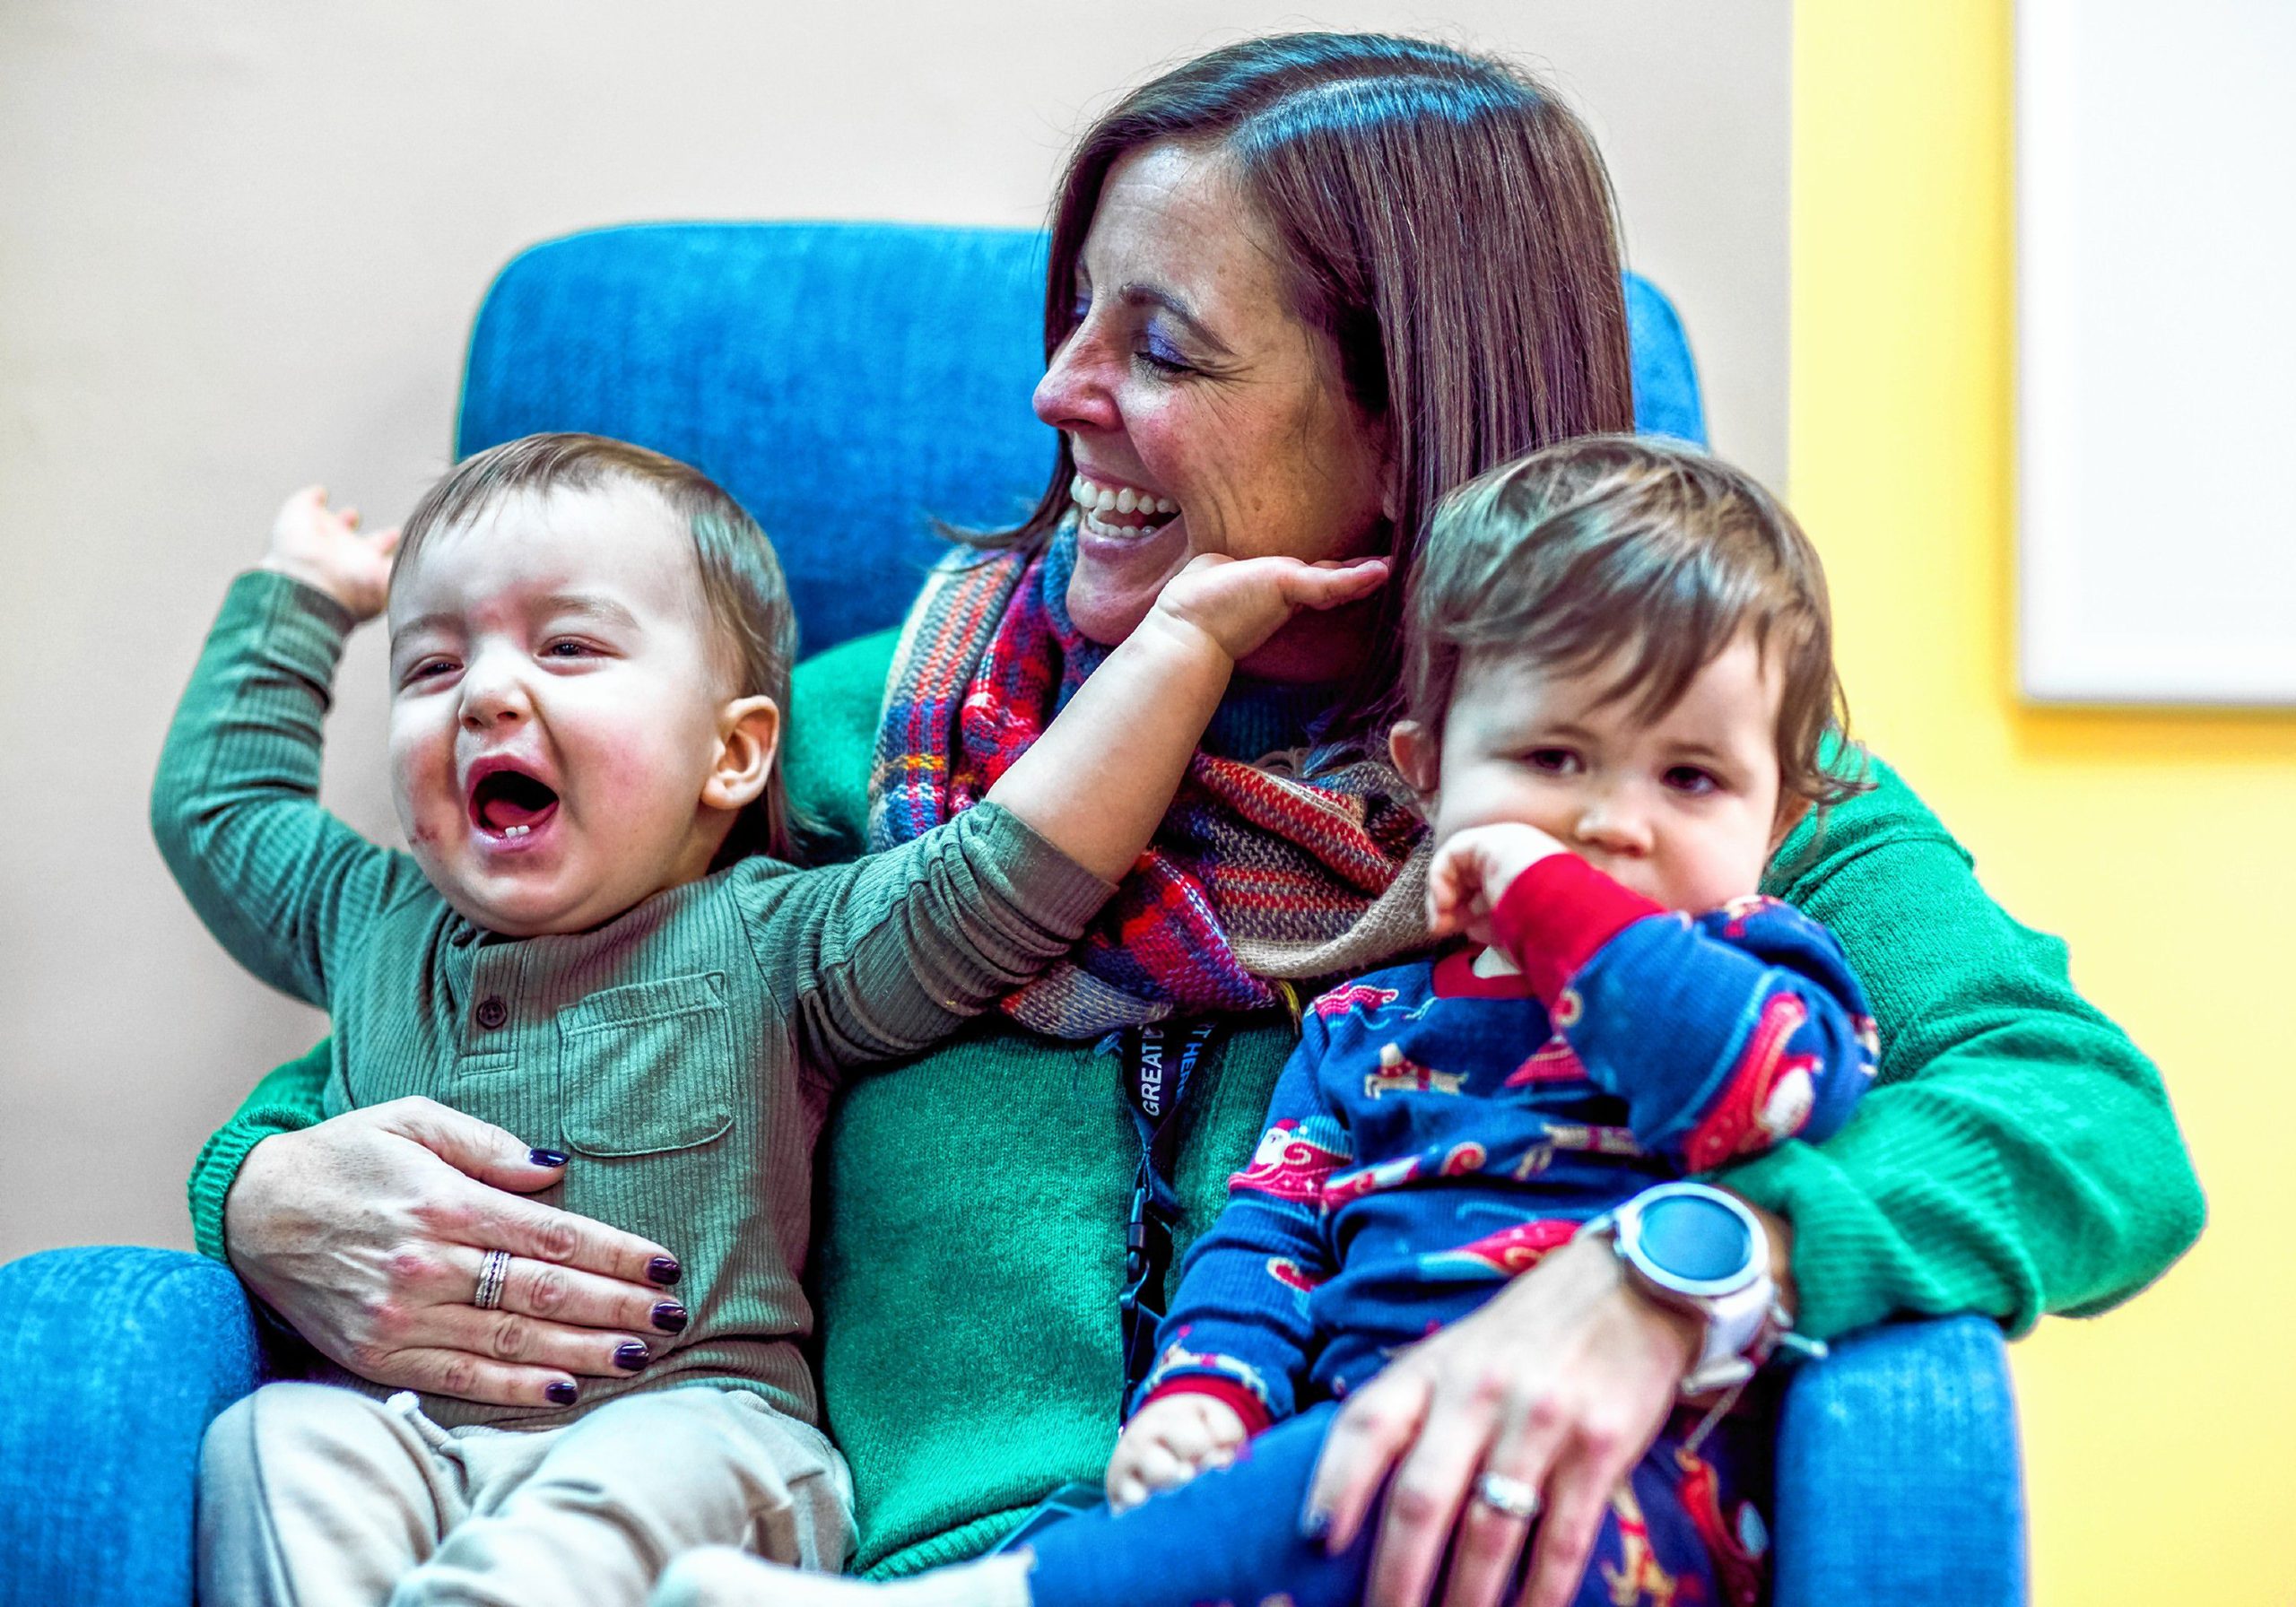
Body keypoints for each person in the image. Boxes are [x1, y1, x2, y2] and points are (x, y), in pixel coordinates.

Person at [184, 34, 2204, 1607]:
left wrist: (1693, 1259)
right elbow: (455, 1015)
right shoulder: (829, 741)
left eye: (1157, 345)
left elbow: (2082, 1122)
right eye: (1074, 318)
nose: (1060, 395)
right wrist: (262, 1198)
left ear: (1403, 426)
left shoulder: (1681, 793)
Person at [154, 430, 1384, 1606]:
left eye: (568, 649)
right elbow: (217, 807)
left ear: (734, 756)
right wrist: (298, 596)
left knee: (626, 1489)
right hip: (405, 1433)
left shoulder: (774, 940)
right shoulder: (369, 918)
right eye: (431, 666)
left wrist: (1178, 651)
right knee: (273, 1441)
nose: (484, 694)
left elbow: (1005, 877)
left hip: (702, 1437)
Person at [651, 437, 1880, 1607]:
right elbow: (1273, 1229)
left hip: (1615, 1505)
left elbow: (1749, 1092)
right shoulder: (1363, 1026)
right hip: (1344, 1491)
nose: (1618, 820)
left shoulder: (1766, 968)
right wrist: (1205, 1392)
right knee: (1288, 1483)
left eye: (1692, 780)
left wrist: (1548, 897)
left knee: (1347, 1469)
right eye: (1555, 759)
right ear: (1430, 775)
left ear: (1780, 820)